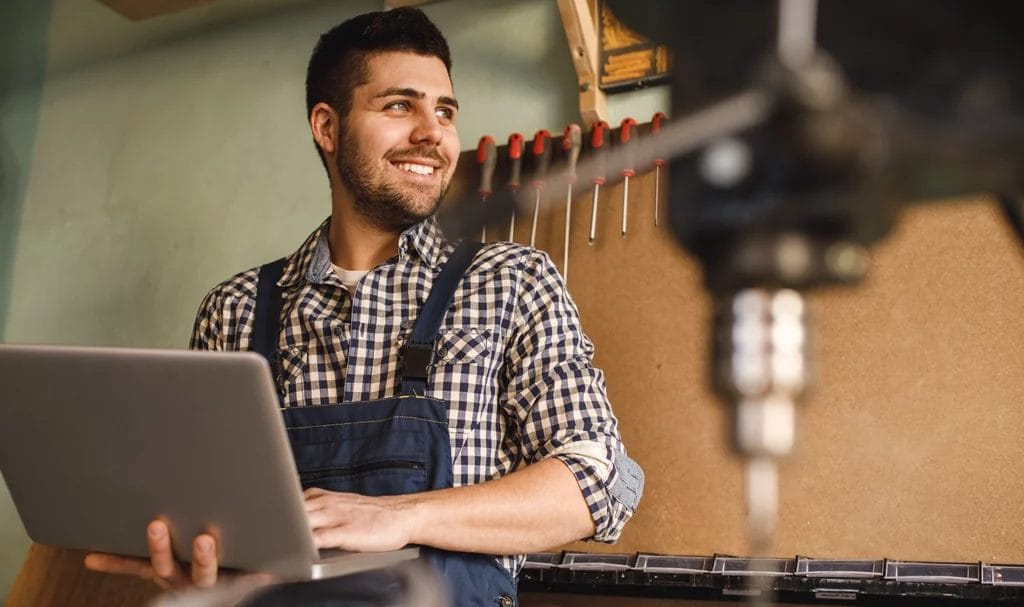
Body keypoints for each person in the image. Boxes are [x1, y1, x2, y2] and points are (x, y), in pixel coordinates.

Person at [85, 7, 643, 606]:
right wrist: (199, 565)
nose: (433, 132)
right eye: (400, 105)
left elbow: (598, 479)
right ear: (327, 127)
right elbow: (209, 512)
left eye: (445, 111)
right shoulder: (233, 311)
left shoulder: (511, 282)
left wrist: (397, 516)